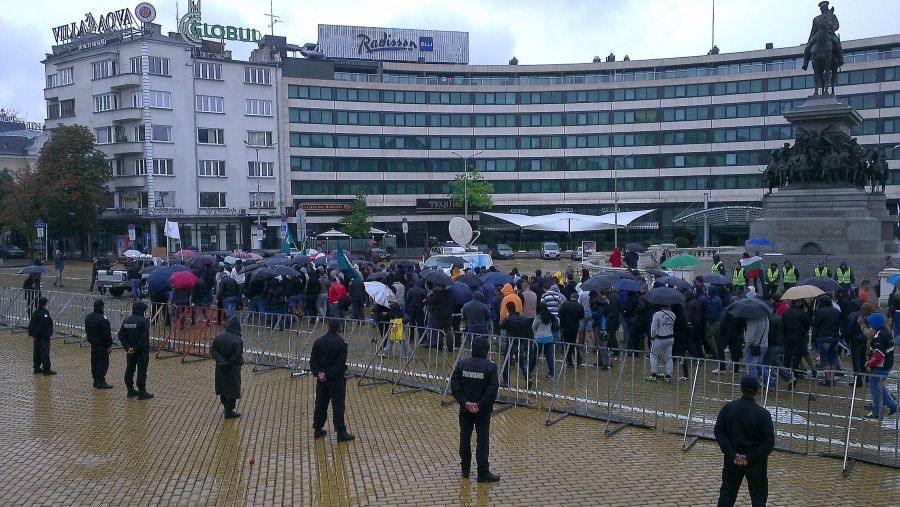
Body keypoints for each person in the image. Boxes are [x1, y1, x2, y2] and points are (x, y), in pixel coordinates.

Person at [714, 376, 775, 507]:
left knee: (727, 495)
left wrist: (732, 452)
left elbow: (719, 432)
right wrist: (749, 457)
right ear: (757, 391)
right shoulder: (763, 414)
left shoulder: (728, 408)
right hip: (756, 462)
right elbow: (769, 442)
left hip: (732, 459)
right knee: (758, 497)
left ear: (740, 389)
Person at [449, 337, 500, 483]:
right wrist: (479, 404)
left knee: (464, 438)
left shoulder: (462, 364)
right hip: (482, 411)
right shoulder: (490, 367)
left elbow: (455, 385)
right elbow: (492, 390)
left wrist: (465, 403)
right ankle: (482, 473)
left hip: (465, 410)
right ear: (486, 351)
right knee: (482, 440)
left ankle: (465, 469)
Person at [310, 319, 355, 442]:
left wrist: (318, 373)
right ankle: (341, 431)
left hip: (321, 379)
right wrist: (328, 374)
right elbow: (340, 364)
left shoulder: (318, 342)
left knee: (320, 403)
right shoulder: (341, 343)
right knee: (338, 405)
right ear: (338, 328)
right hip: (336, 379)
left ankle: (317, 428)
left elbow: (312, 360)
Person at [864, 313, 898, 419]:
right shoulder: (887, 333)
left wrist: (869, 363)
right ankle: (894, 406)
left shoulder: (879, 336)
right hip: (887, 365)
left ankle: (877, 412)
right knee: (880, 387)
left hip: (880, 367)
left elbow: (879, 355)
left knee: (875, 389)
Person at [118, 301, 154, 400]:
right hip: (141, 351)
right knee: (142, 370)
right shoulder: (143, 321)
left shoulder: (126, 320)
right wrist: (136, 348)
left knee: (129, 369)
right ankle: (142, 392)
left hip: (130, 351)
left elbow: (121, 335)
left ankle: (130, 389)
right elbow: (144, 337)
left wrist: (127, 348)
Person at [211, 318, 244, 419]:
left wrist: (222, 362)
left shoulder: (219, 337)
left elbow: (213, 350)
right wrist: (229, 363)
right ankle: (229, 411)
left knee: (223, 387)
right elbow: (237, 355)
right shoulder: (238, 340)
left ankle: (226, 407)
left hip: (221, 367)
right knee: (232, 389)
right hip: (232, 368)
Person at [802, 0, 843, 71]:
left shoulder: (832, 15)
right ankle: (805, 63)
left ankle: (840, 59)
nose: (823, 8)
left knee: (836, 42)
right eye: (822, 7)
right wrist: (809, 40)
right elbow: (813, 30)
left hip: (830, 34)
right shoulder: (817, 19)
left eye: (825, 7)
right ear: (820, 8)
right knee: (808, 47)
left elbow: (836, 25)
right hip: (818, 35)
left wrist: (831, 29)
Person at [812, 295, 841, 386]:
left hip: (824, 336)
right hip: (835, 337)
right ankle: (832, 379)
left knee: (825, 358)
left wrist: (814, 338)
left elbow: (815, 325)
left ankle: (827, 379)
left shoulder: (820, 312)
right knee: (833, 357)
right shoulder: (836, 311)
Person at [85, 298, 113, 389]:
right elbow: (106, 333)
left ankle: (95, 380)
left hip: (93, 344)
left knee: (94, 362)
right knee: (103, 363)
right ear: (102, 307)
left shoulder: (89, 317)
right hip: (102, 345)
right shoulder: (103, 319)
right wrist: (109, 345)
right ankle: (101, 380)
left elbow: (87, 331)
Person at [646, 304, 676, 382]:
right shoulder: (673, 315)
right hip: (670, 338)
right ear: (668, 306)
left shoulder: (657, 314)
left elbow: (653, 329)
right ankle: (668, 375)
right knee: (669, 357)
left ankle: (654, 374)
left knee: (653, 355)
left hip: (659, 338)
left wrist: (652, 337)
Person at [28, 296, 55, 375]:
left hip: (36, 336)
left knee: (36, 352)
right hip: (43, 336)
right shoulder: (44, 313)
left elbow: (32, 324)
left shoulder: (35, 312)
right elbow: (45, 324)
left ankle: (36, 367)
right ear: (45, 303)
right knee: (45, 352)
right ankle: (46, 369)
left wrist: (33, 333)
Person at [559, 291, 586, 366]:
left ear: (571, 297)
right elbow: (581, 316)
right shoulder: (580, 306)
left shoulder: (565, 304)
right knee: (573, 343)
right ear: (577, 298)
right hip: (574, 327)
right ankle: (578, 359)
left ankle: (569, 361)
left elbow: (560, 315)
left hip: (565, 327)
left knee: (566, 344)